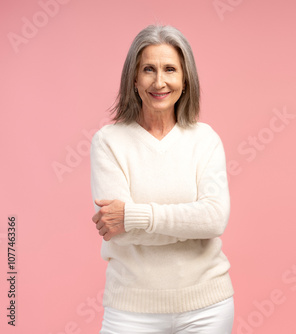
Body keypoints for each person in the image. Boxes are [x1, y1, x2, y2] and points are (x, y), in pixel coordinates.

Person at [90, 24, 234, 333]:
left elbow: (213, 220)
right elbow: (121, 233)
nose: (159, 82)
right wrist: (187, 222)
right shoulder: (108, 141)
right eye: (148, 70)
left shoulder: (205, 139)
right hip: (130, 309)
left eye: (170, 69)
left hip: (206, 308)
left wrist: (133, 215)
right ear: (133, 78)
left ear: (185, 79)